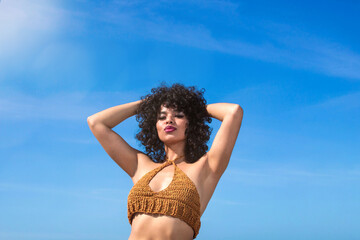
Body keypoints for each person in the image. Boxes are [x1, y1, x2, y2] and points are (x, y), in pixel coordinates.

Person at [87, 83, 243, 239]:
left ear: (191, 123)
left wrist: (194, 109)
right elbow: (96, 122)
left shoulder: (206, 167)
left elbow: (233, 112)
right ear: (154, 126)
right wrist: (146, 105)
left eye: (179, 115)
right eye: (161, 117)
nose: (169, 120)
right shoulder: (140, 165)